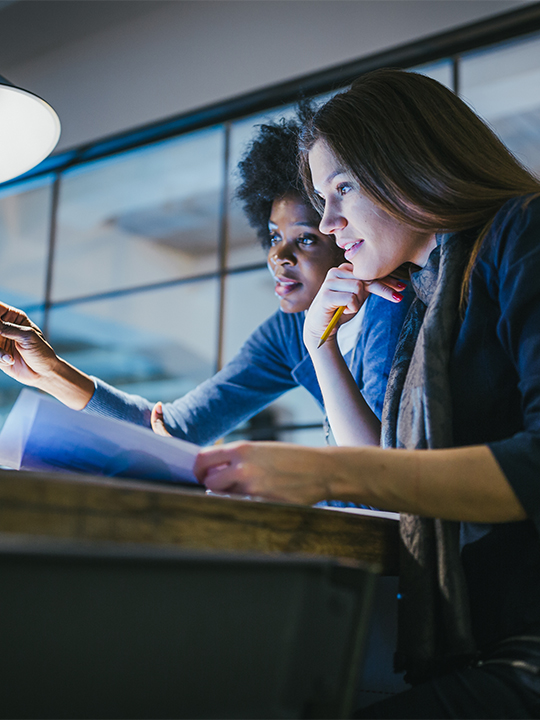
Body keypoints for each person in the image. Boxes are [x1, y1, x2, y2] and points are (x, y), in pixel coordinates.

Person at [194, 69, 540, 718]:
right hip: (495, 635)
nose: (329, 221)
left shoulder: (524, 233)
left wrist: (323, 469)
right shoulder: (428, 293)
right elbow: (381, 476)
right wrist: (319, 343)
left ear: (411, 163)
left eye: (342, 189)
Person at [0, 111, 408, 448]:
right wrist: (48, 371)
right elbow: (172, 432)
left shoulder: (396, 305)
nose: (279, 258)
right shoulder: (289, 331)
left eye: (305, 239)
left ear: (343, 234)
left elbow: (384, 465)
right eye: (273, 237)